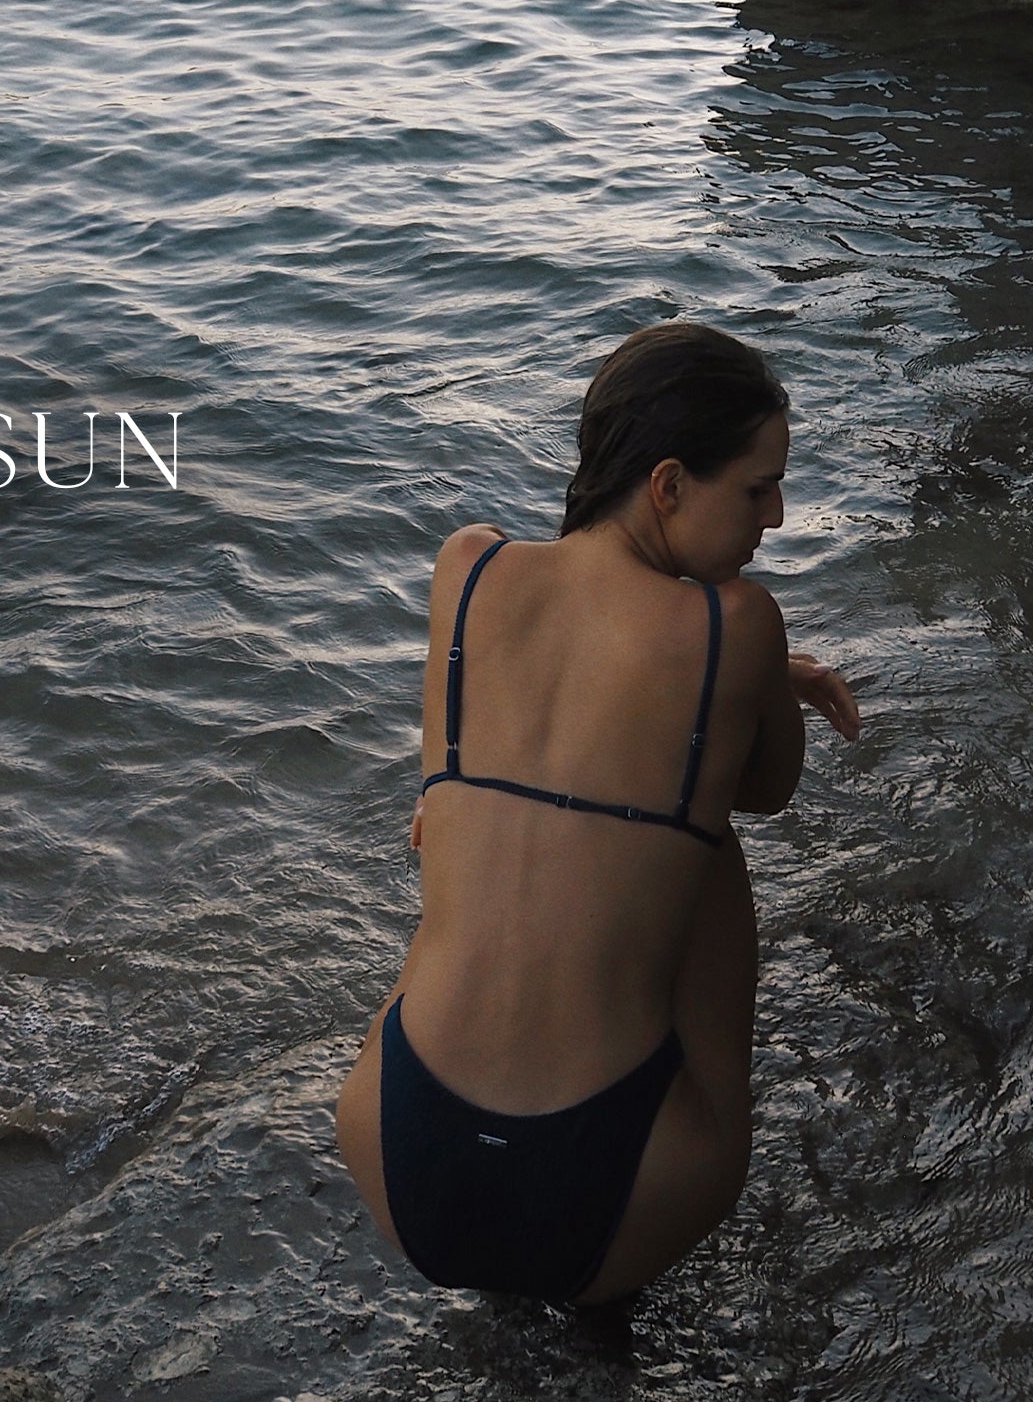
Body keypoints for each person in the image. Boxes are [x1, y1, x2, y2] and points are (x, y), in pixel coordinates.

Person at [332, 323, 861, 1306]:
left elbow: (569, 703)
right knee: (705, 841)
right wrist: (760, 680)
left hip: (397, 1151)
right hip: (612, 1183)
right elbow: (764, 786)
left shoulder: (468, 568)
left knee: (460, 814)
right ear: (668, 485)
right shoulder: (737, 622)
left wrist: (735, 683)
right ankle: (596, 1261)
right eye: (757, 489)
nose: (777, 516)